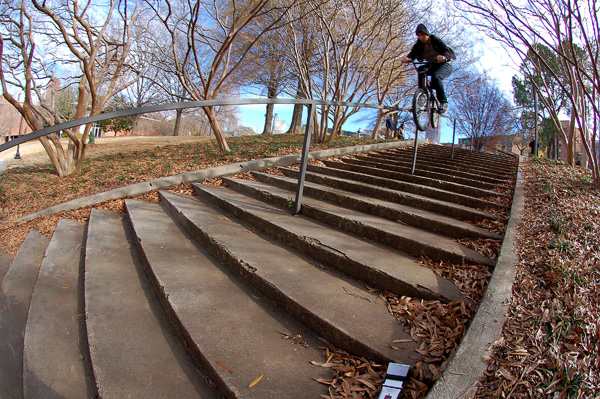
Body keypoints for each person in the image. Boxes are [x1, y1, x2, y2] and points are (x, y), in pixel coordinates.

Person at [402, 24, 455, 114]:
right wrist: (407, 59)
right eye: (419, 36)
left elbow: (446, 51)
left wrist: (444, 57)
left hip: (445, 65)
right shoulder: (419, 45)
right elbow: (412, 54)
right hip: (432, 64)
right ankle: (422, 96)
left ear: (427, 34)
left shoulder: (436, 41)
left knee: (436, 77)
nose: (421, 37)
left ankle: (443, 102)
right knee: (421, 70)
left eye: (422, 35)